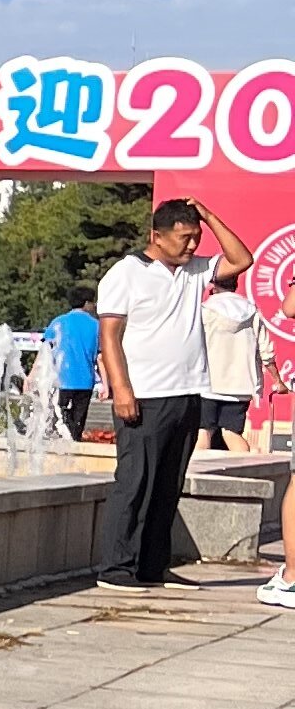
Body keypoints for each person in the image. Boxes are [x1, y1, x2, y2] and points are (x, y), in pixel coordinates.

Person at [95, 195, 253, 591]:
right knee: (135, 482)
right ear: (157, 236)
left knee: (168, 486)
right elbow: (110, 336)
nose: (192, 245)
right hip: (144, 394)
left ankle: (153, 566)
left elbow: (241, 259)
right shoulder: (126, 273)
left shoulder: (195, 270)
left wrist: (209, 215)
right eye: (184, 237)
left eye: (196, 236)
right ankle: (116, 568)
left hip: (188, 391)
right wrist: (122, 389)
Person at [201, 270, 265, 448]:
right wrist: (276, 378)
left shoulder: (205, 310)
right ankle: (246, 465)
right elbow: (265, 349)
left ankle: (197, 467)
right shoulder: (252, 311)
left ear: (213, 286)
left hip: (208, 383)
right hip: (240, 386)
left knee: (204, 432)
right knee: (231, 433)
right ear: (236, 284)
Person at [42, 295, 103, 443]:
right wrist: (105, 384)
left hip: (62, 380)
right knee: (78, 422)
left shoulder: (58, 322)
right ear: (86, 303)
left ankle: (64, 449)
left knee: (62, 420)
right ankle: (75, 444)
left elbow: (45, 351)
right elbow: (100, 357)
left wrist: (32, 376)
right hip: (86, 381)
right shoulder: (96, 325)